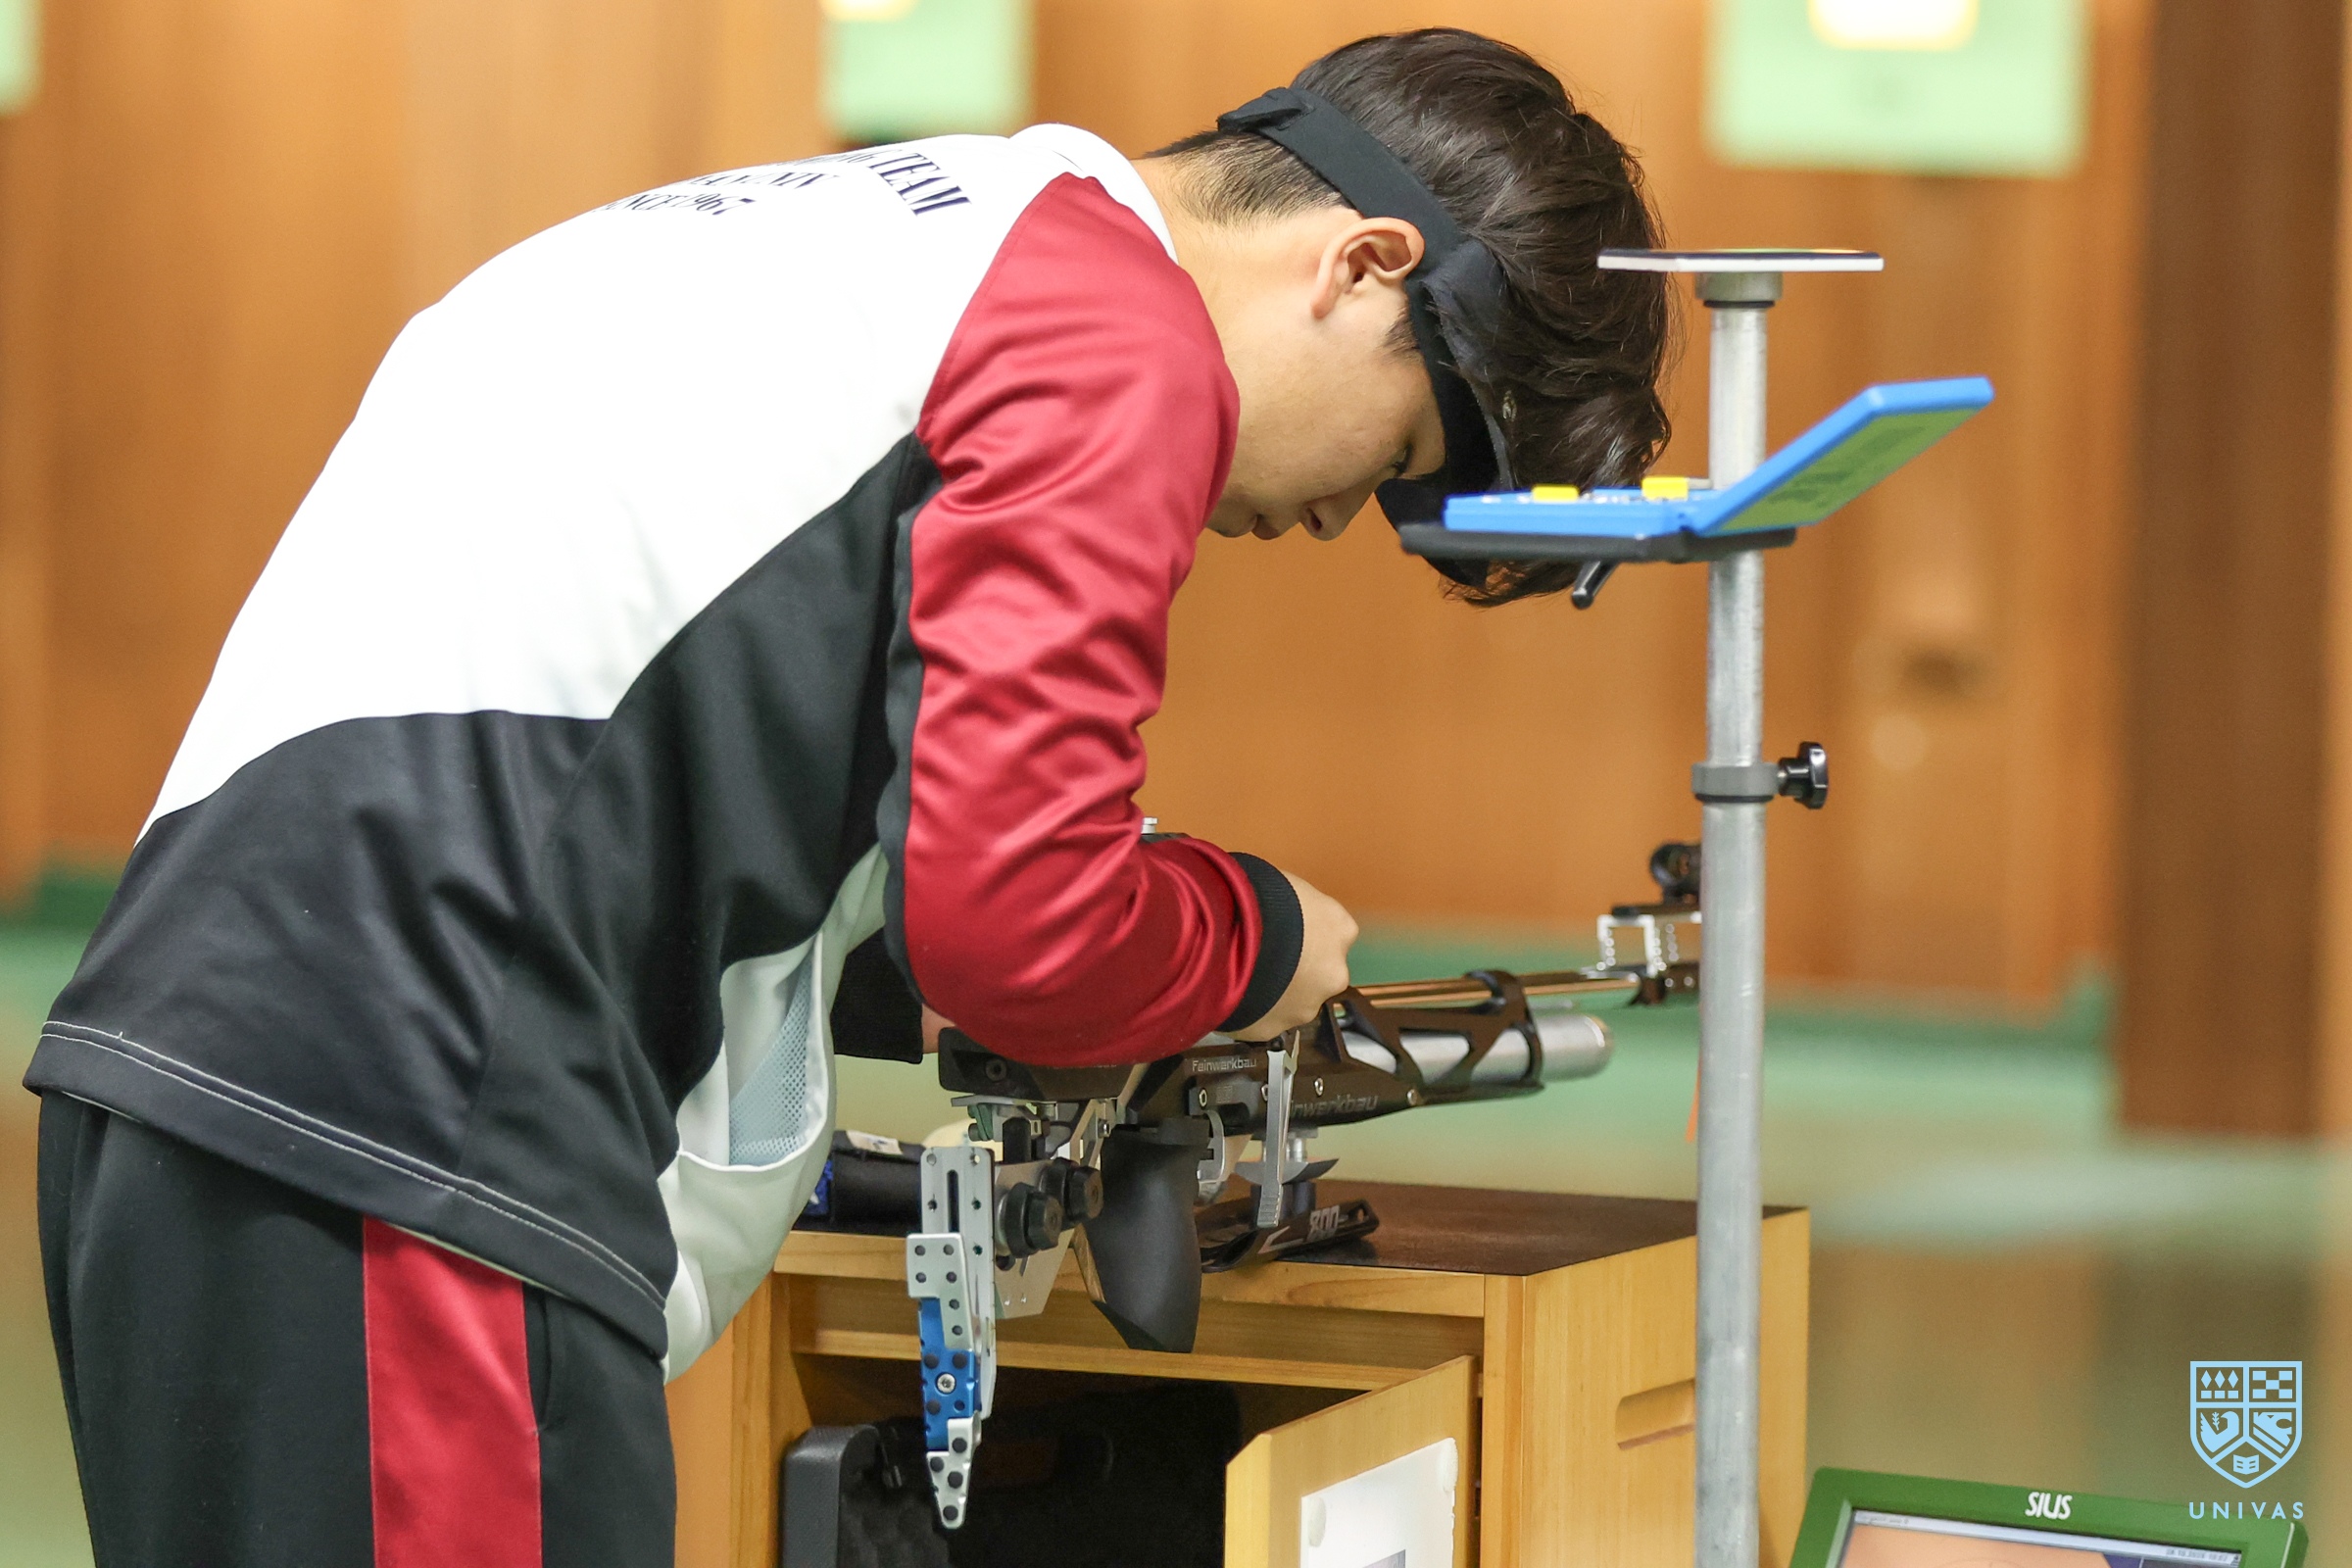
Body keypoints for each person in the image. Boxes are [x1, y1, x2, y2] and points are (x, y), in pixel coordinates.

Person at [26, 25, 1670, 1568]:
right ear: (1361, 264)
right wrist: (1248, 934)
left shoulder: (881, 230)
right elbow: (1020, 928)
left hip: (203, 1104)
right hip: (422, 1149)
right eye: (1396, 458)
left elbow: (667, 771)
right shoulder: (1113, 331)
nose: (1328, 519)